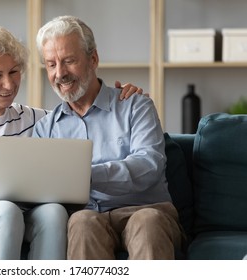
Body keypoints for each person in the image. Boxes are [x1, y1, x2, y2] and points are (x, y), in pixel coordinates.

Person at [0, 23, 142, 260]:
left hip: (16, 213)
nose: (9, 84)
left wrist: (123, 100)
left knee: (54, 213)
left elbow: (84, 119)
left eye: (14, 72)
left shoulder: (34, 119)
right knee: (5, 212)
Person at [32, 15, 184, 260]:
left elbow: (149, 165)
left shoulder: (135, 105)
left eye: (69, 61)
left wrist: (86, 175)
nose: (60, 73)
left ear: (93, 59)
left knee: (147, 222)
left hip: (146, 209)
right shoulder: (45, 128)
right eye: (51, 64)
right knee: (81, 222)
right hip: (88, 216)